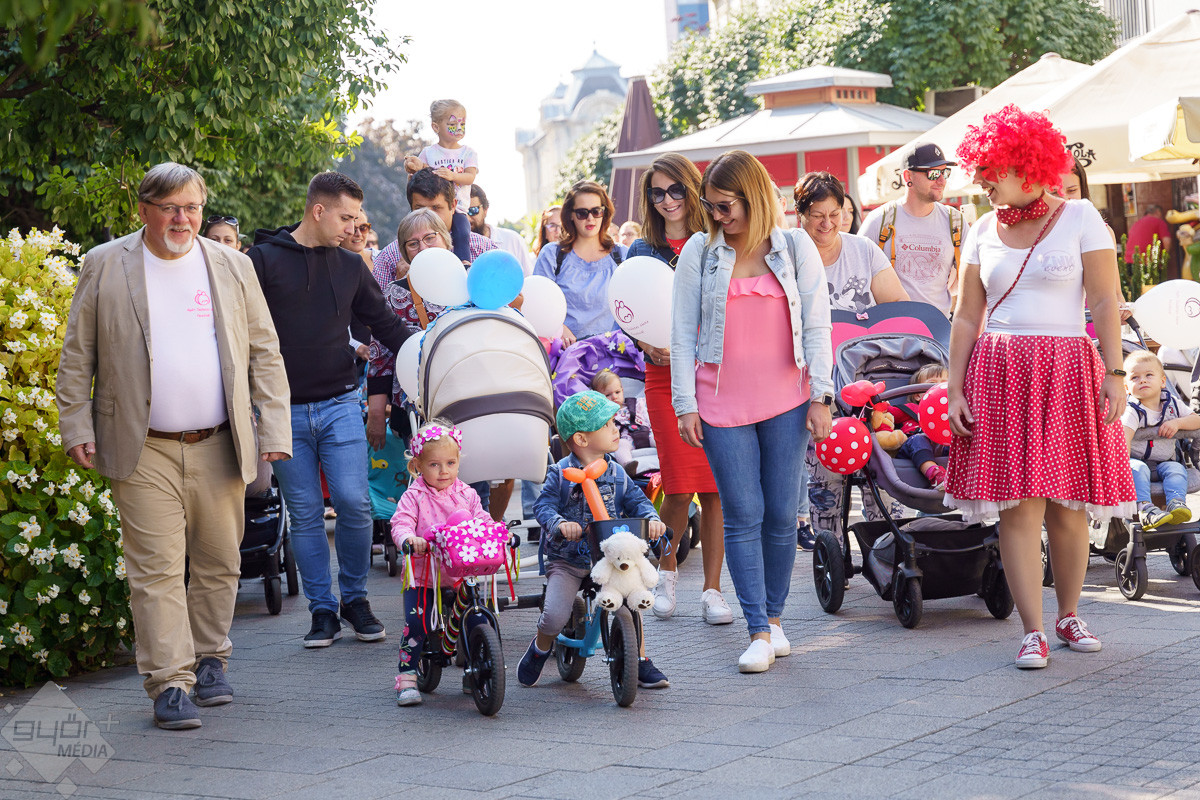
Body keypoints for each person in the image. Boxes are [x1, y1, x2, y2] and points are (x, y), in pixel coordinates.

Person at [56, 162, 291, 730]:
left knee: (219, 561)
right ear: (144, 210)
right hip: (142, 446)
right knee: (155, 570)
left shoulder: (232, 265)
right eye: (169, 208)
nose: (182, 219)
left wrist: (274, 431)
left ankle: (211, 660)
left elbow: (265, 350)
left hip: (220, 441)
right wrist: (77, 424)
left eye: (191, 208)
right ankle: (169, 682)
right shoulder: (105, 263)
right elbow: (77, 353)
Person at [945, 104, 1135, 670]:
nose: (981, 181)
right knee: (1018, 508)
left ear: (1022, 164)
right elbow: (965, 317)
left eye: (988, 170)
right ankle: (1033, 631)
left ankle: (1069, 614)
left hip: (1068, 369)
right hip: (1001, 372)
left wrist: (1116, 372)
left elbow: (1104, 300)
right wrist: (954, 388)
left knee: (1068, 507)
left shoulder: (1081, 216)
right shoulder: (982, 228)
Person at [672, 149, 833, 673]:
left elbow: (818, 323)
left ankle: (777, 619)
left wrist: (822, 395)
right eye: (711, 206)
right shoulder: (700, 251)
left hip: (788, 398)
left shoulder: (795, 246)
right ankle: (757, 629)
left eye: (726, 206)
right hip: (720, 403)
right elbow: (681, 332)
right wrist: (685, 404)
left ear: (756, 197)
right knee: (743, 514)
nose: (718, 216)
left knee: (783, 514)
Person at [249, 171, 416, 649]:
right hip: (282, 411)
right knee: (304, 513)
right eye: (346, 218)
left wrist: (428, 353)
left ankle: (355, 600)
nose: (353, 228)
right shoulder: (261, 260)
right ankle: (322, 610)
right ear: (318, 211)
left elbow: (385, 324)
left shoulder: (350, 265)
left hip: (341, 402)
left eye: (357, 219)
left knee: (354, 502)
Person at [626, 153, 728, 622]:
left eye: (675, 190)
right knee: (680, 487)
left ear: (692, 189)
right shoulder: (642, 250)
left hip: (715, 372)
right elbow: (627, 310)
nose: (667, 200)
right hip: (663, 375)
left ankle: (713, 591)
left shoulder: (717, 240)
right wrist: (645, 343)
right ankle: (664, 576)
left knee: (716, 490)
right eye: (657, 192)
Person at [519, 391, 669, 690]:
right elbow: (544, 506)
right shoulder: (560, 474)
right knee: (555, 616)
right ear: (581, 439)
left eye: (614, 422)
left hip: (611, 560)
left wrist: (652, 520)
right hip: (568, 559)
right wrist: (561, 524)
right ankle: (541, 646)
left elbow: (638, 502)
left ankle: (639, 659)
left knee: (632, 600)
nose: (616, 429)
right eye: (606, 425)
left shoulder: (616, 472)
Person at [389, 421, 494, 706]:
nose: (444, 471)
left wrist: (497, 532)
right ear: (417, 465)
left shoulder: (467, 494)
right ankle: (407, 676)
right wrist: (409, 539)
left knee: (478, 619)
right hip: (424, 575)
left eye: (450, 463)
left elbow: (482, 519)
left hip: (461, 573)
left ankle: (476, 671)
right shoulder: (414, 496)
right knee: (417, 623)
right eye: (434, 464)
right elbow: (401, 523)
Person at [860, 143, 968, 317]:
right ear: (908, 176)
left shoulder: (955, 222)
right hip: (890, 327)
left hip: (939, 328)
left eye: (945, 172)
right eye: (933, 173)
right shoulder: (879, 220)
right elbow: (858, 276)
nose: (942, 180)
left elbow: (969, 282)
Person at [796, 171, 909, 314]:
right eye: (817, 216)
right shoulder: (787, 256)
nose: (827, 224)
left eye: (834, 214)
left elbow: (899, 304)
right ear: (799, 214)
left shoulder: (864, 249)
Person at [532, 180, 627, 345]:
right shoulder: (552, 255)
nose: (590, 218)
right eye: (582, 213)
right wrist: (558, 327)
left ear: (604, 213)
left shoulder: (622, 254)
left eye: (596, 211)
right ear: (570, 215)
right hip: (565, 353)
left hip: (615, 353)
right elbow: (538, 304)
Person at [371, 168, 496, 288]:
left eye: (436, 208)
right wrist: (401, 285)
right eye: (420, 208)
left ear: (453, 206)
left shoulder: (484, 250)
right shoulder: (390, 257)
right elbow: (374, 301)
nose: (428, 215)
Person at [1122, 351, 1200, 529]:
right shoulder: (1132, 410)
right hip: (1136, 462)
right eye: (1135, 377)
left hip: (1164, 462)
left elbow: (1196, 420)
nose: (1142, 380)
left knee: (1176, 469)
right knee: (1138, 468)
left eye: (1149, 375)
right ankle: (1145, 508)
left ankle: (1176, 503)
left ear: (1163, 381)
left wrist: (1178, 423)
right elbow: (1123, 440)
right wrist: (1119, 470)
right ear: (1126, 387)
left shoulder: (1171, 404)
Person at [403, 98, 477, 214]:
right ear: (436, 127)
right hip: (431, 208)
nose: (459, 128)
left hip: (458, 209)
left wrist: (452, 175)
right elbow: (420, 175)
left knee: (462, 227)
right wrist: (414, 170)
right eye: (452, 124)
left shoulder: (468, 152)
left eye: (462, 124)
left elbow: (470, 177)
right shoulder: (428, 152)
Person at [893, 364, 950, 490]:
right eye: (932, 384)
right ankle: (935, 475)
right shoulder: (911, 409)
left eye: (945, 384)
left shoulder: (951, 411)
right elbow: (886, 414)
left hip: (942, 446)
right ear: (917, 395)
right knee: (919, 439)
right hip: (912, 447)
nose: (939, 387)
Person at [591, 369, 653, 467]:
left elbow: (649, 419)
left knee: (657, 437)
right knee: (621, 445)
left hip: (646, 434)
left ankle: (673, 453)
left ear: (622, 391)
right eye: (608, 395)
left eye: (617, 392)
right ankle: (628, 464)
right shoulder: (604, 416)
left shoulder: (636, 404)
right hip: (626, 440)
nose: (614, 397)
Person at [469, 184, 533, 274]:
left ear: (485, 210)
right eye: (462, 212)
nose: (467, 218)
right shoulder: (452, 246)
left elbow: (528, 277)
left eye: (473, 211)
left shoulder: (513, 240)